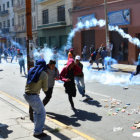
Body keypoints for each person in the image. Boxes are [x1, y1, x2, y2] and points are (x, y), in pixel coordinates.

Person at [24, 59, 48, 138]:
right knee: (42, 113)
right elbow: (45, 89)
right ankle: (37, 132)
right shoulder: (44, 74)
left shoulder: (31, 70)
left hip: (26, 94)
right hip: (33, 96)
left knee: (36, 112)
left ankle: (38, 128)